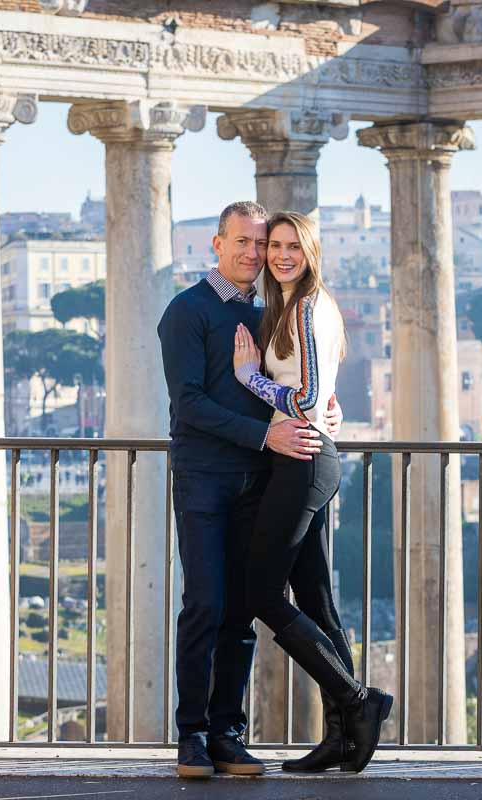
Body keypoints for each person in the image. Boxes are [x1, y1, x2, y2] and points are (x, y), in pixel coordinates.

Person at [157, 201, 343, 778]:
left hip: (260, 478)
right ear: (217, 243)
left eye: (260, 244)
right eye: (241, 242)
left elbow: (296, 381)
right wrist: (267, 434)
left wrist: (330, 411)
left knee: (240, 613)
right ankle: (191, 737)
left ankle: (227, 736)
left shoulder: (271, 312)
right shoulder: (185, 311)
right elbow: (188, 403)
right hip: (204, 477)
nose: (253, 253)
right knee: (205, 604)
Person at [232, 211, 392, 774]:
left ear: (311, 251)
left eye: (291, 247)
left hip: (303, 460)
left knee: (263, 595)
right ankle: (341, 740)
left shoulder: (305, 308)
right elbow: (320, 397)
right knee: (319, 603)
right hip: (307, 455)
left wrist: (247, 375)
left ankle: (356, 701)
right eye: (273, 246)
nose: (279, 255)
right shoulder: (299, 308)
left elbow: (304, 400)